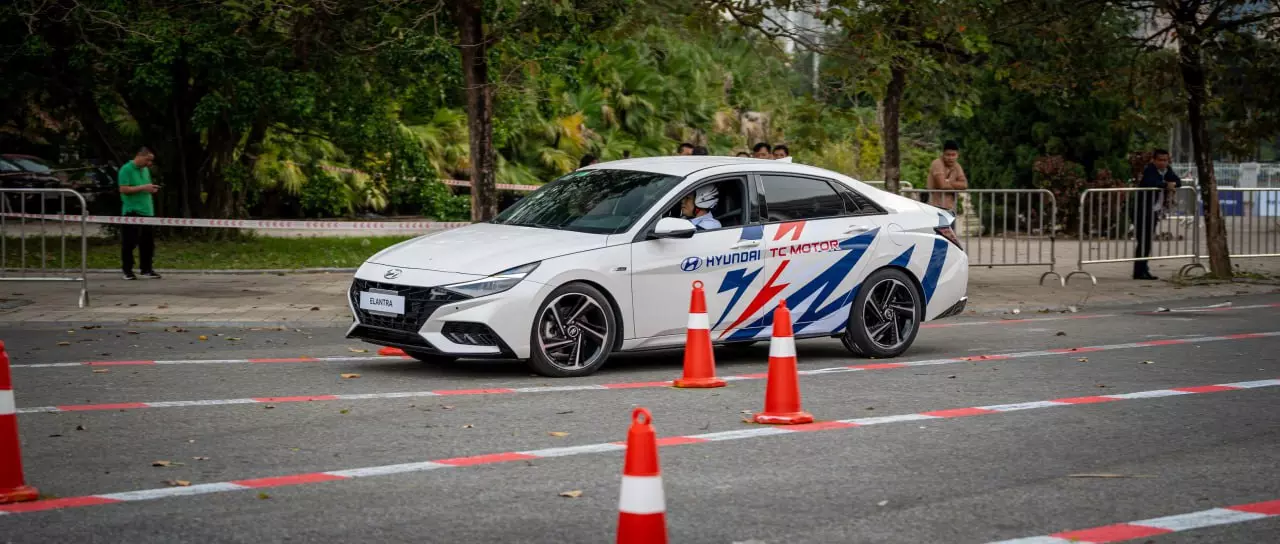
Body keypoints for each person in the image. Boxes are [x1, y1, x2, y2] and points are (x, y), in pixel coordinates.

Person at [1133, 149, 1181, 280]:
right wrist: (1166, 185)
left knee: (1147, 241)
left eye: (1165, 160)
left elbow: (1178, 181)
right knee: (1143, 241)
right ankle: (1139, 271)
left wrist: (1172, 183)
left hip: (1154, 211)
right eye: (1160, 160)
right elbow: (1152, 182)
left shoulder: (1167, 170)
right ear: (1153, 160)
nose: (1163, 163)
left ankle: (1143, 269)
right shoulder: (1150, 170)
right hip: (1143, 210)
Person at [118, 147, 161, 280]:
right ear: (139, 156)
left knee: (148, 242)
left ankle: (146, 269)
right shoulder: (126, 169)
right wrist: (143, 187)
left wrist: (150, 189)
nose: (149, 163)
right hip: (132, 211)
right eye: (147, 160)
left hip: (147, 210)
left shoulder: (145, 170)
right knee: (129, 242)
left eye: (151, 161)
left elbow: (144, 186)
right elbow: (123, 189)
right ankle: (127, 270)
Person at [926, 140, 968, 212]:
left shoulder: (957, 166)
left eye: (953, 155)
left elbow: (964, 184)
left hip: (950, 208)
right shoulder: (937, 163)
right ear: (943, 154)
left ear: (957, 155)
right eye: (948, 155)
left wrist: (948, 182)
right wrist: (956, 185)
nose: (950, 158)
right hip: (934, 207)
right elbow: (942, 185)